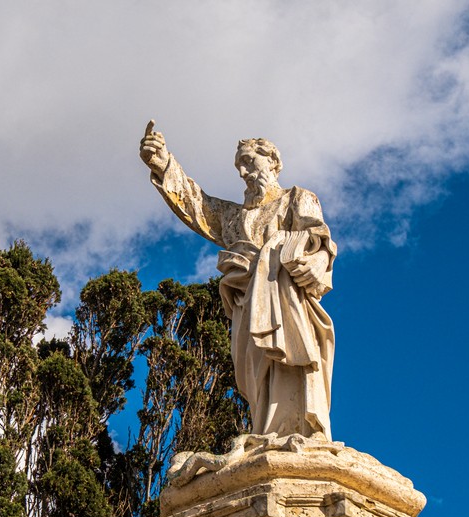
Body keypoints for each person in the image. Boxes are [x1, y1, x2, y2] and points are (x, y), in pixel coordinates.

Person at [140, 121, 336, 440]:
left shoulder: (297, 198)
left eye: (249, 161)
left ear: (273, 162)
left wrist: (313, 261)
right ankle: (267, 430)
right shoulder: (234, 218)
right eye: (239, 166)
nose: (244, 172)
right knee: (255, 376)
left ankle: (299, 429)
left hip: (287, 299)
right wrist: (164, 164)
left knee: (291, 361)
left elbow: (319, 239)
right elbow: (197, 204)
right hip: (247, 304)